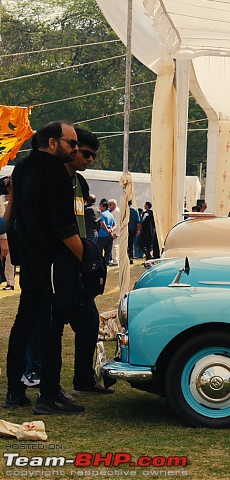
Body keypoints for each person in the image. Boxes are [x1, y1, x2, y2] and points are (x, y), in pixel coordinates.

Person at [4, 120, 85, 414]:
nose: (75, 149)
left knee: (25, 323)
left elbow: (10, 217)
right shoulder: (56, 174)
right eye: (72, 143)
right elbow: (64, 227)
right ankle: (49, 395)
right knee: (51, 327)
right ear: (53, 143)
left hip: (30, 259)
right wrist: (86, 257)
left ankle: (15, 390)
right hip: (51, 260)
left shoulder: (21, 168)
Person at [64, 127, 114, 395]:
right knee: (45, 327)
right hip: (59, 264)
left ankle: (82, 380)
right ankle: (31, 382)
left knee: (89, 322)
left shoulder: (80, 184)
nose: (90, 159)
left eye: (93, 155)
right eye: (86, 153)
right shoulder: (55, 180)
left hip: (79, 265)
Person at [96, 200, 116, 267]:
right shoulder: (111, 214)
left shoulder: (102, 214)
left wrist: (107, 230)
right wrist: (111, 230)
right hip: (109, 236)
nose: (99, 208)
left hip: (102, 235)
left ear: (104, 207)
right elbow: (115, 225)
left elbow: (102, 223)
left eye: (100, 206)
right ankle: (106, 263)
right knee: (108, 251)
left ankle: (100, 264)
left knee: (99, 251)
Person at [107, 199, 121, 266]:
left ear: (114, 204)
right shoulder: (113, 211)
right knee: (113, 246)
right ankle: (114, 260)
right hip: (113, 231)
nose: (109, 206)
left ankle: (115, 261)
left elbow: (117, 222)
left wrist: (115, 232)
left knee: (115, 246)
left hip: (115, 232)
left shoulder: (116, 211)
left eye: (110, 204)